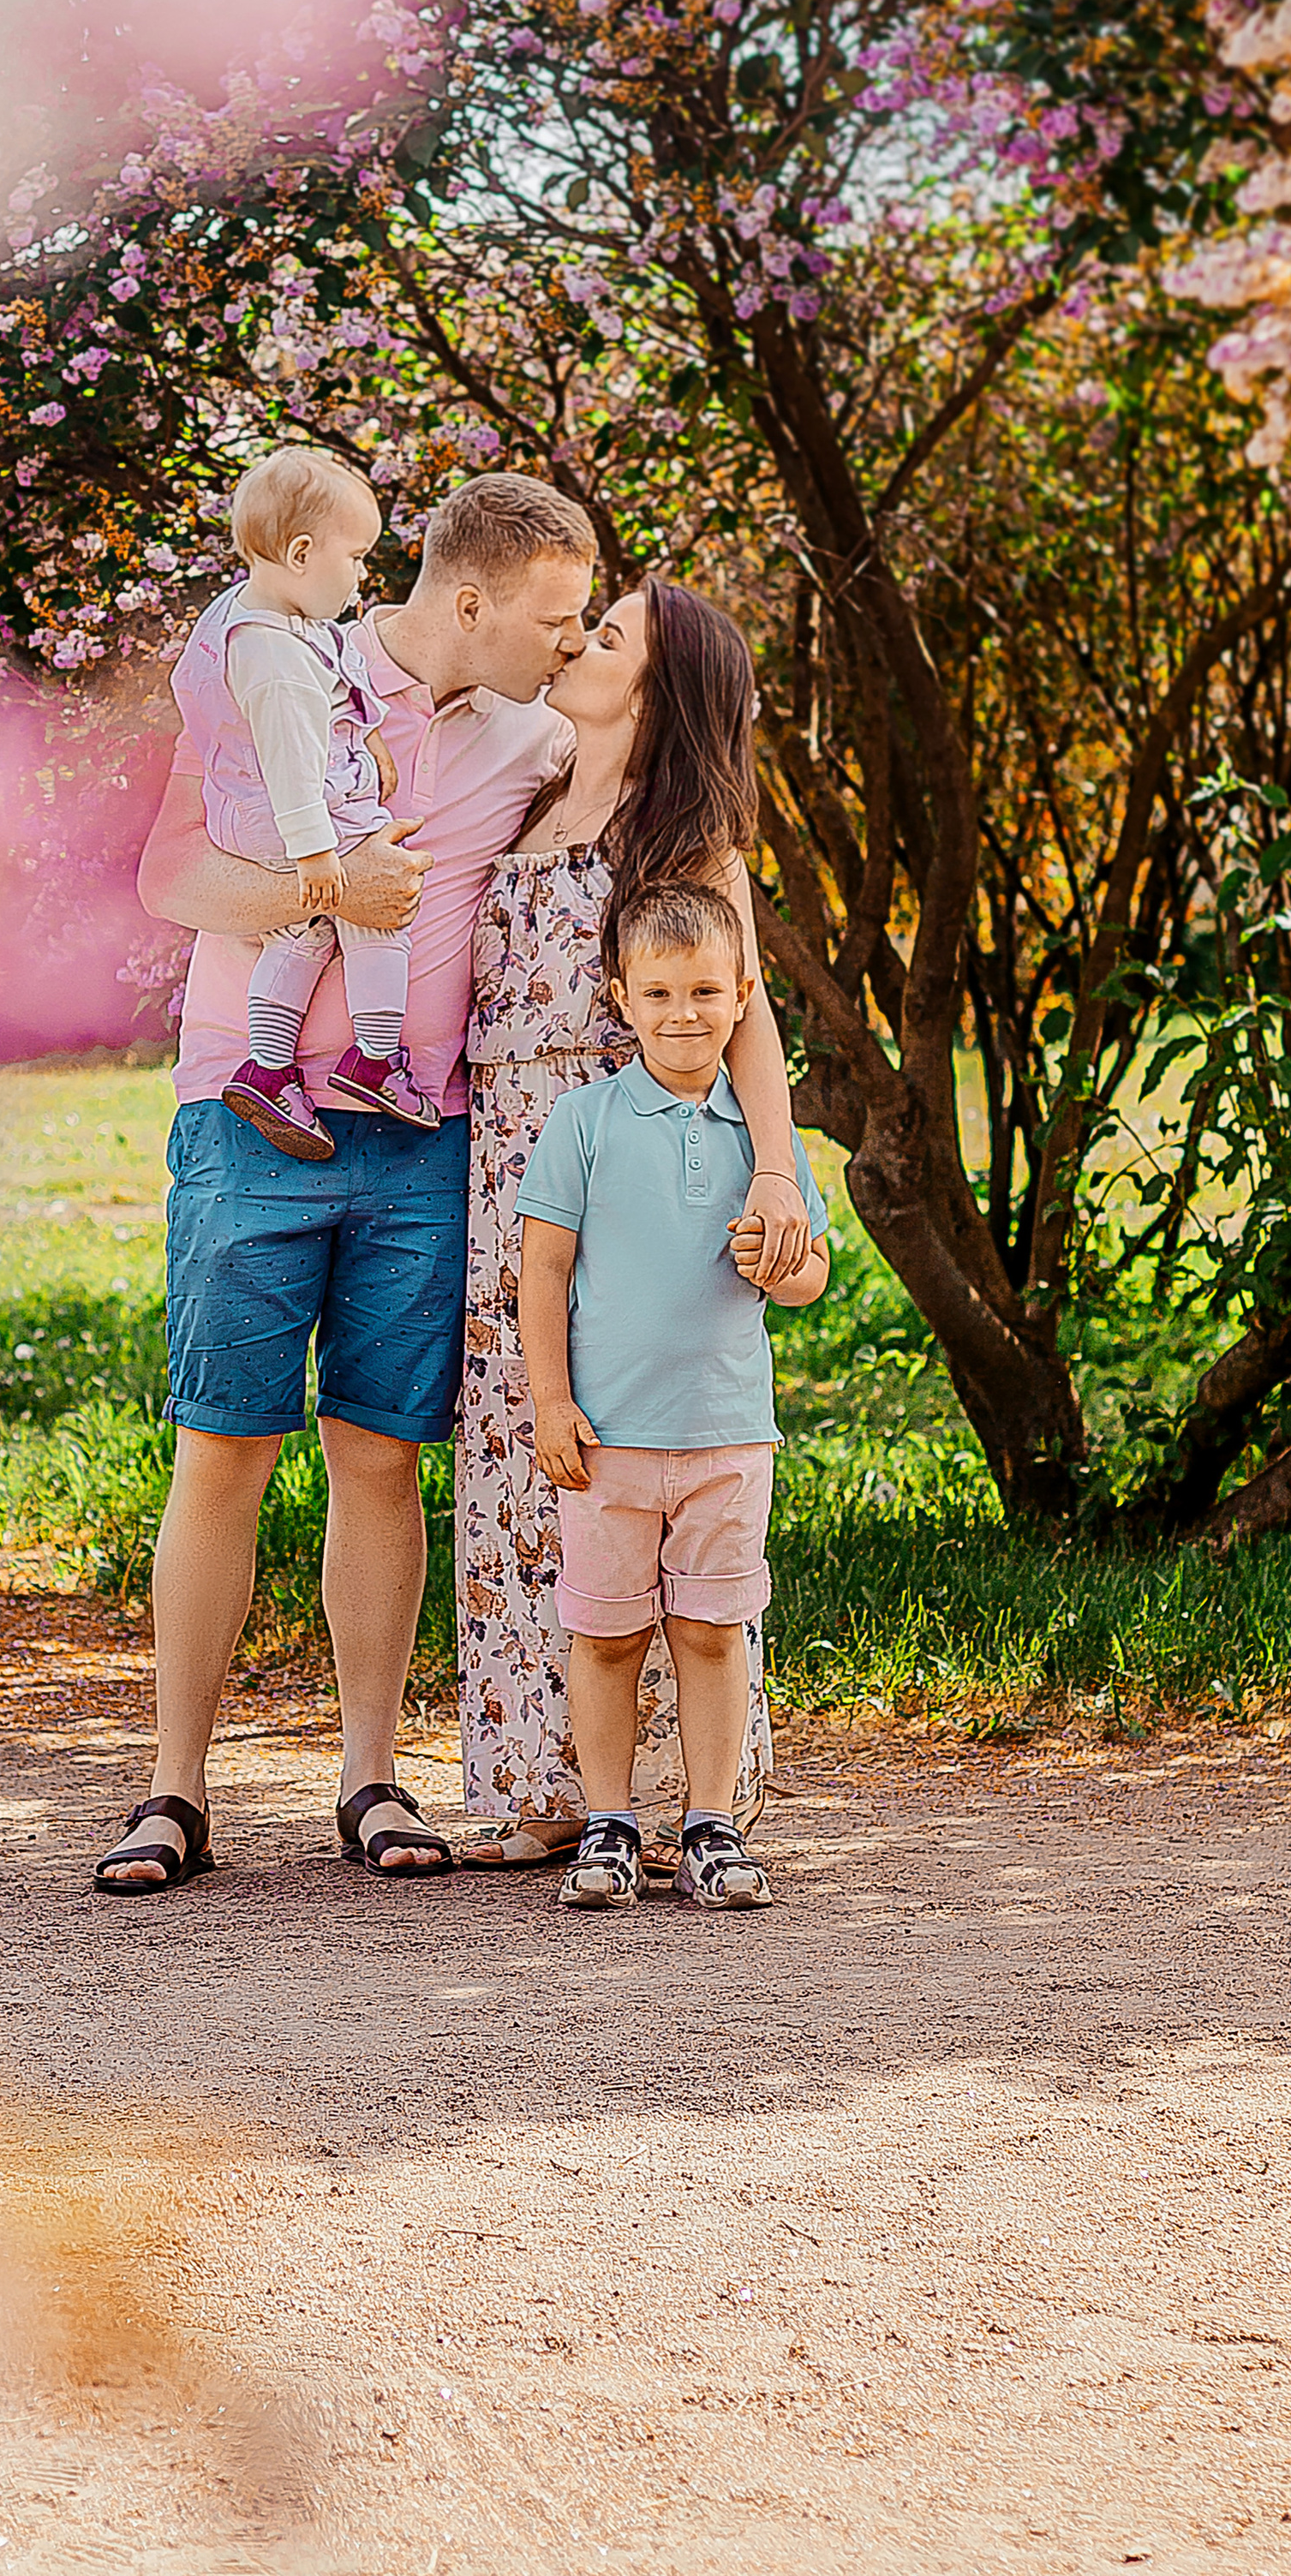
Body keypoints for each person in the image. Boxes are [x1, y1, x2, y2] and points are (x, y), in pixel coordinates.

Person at [93, 471, 600, 1892]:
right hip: (249, 1117)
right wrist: (328, 895)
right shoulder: (288, 655)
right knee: (227, 1446)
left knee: (380, 1457)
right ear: (472, 598)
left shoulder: (534, 739)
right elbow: (172, 875)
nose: (567, 643)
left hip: (417, 1134)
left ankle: (371, 1779)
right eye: (553, 618)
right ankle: (173, 1794)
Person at [456, 577, 813, 1871]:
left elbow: (750, 1009)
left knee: (647, 1448)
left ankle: (686, 1796)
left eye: (607, 637)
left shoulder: (685, 839)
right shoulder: (525, 793)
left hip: (640, 1171)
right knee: (525, 1454)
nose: (575, 643)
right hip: (509, 1166)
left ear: (659, 690)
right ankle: (545, 1782)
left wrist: (773, 1172)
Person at [516, 878, 829, 1911]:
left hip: (727, 1433)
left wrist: (777, 1261)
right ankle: (606, 1822)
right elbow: (545, 1271)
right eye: (658, 993)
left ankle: (709, 1823)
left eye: (704, 990)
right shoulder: (586, 1120)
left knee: (709, 1631)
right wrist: (549, 1401)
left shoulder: (764, 1141)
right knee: (606, 1635)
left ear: (743, 994)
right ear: (621, 997)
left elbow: (812, 1273)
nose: (682, 1013)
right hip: (606, 1438)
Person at [168, 445, 438, 1159]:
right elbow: (291, 764)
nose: (361, 575)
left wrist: (372, 735)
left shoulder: (274, 613)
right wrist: (320, 859)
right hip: (289, 816)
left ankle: (267, 1068)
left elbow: (338, 687)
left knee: (306, 930)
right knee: (378, 911)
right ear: (300, 552)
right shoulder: (275, 660)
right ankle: (376, 1059)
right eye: (354, 557)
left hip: (275, 808)